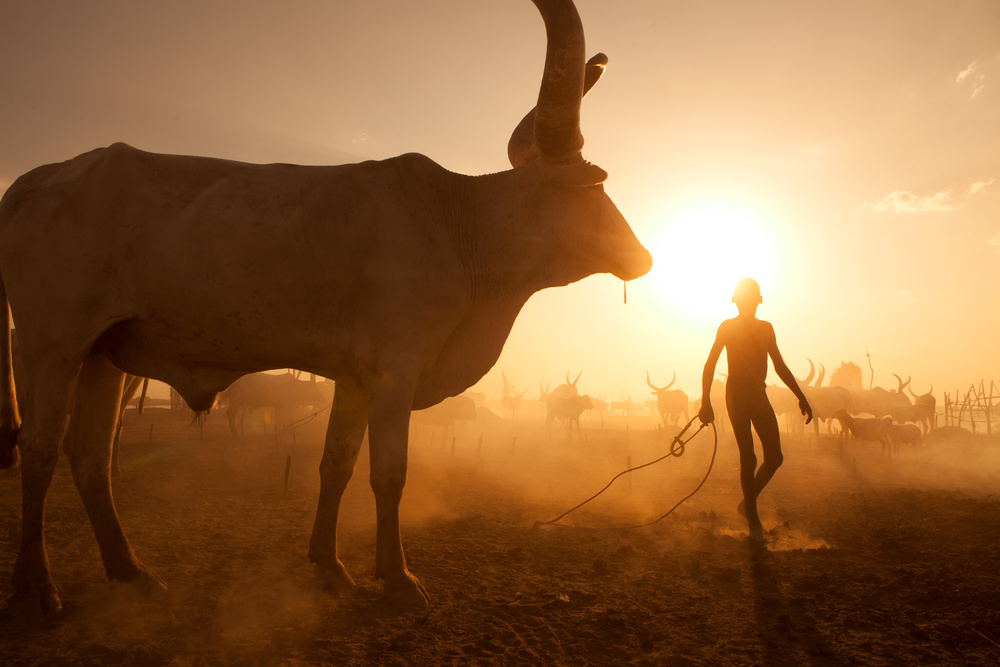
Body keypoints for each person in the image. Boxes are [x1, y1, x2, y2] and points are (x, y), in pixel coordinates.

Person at [698, 277, 812, 542]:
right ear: (736, 302)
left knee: (775, 457)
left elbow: (779, 365)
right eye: (744, 300)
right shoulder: (727, 328)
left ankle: (747, 504)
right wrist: (705, 401)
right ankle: (753, 521)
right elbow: (710, 364)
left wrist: (801, 396)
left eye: (752, 300)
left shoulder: (766, 329)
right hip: (736, 396)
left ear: (758, 302)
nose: (748, 304)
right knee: (748, 458)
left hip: (759, 396)